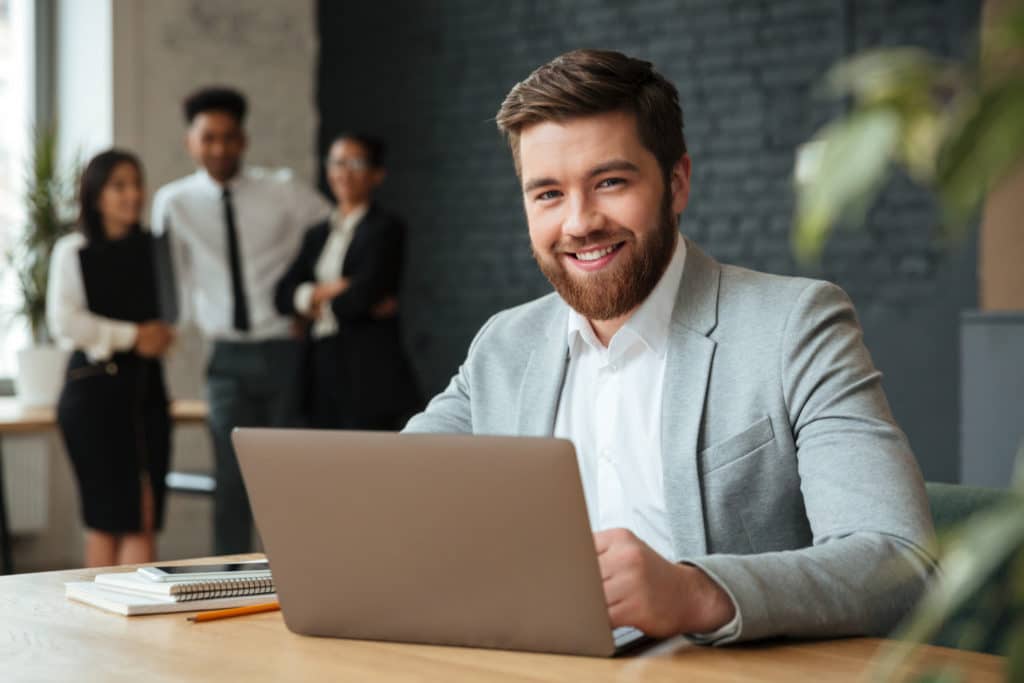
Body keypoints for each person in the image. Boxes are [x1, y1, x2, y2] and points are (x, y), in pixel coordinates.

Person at [404, 49, 937, 643]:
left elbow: (899, 564)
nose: (579, 222)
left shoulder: (795, 327)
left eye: (609, 182)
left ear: (676, 183)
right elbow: (389, 495)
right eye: (548, 194)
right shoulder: (504, 345)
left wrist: (694, 592)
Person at [151, 87, 331, 554]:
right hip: (225, 358)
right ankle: (227, 585)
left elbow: (333, 231)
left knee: (287, 480)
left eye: (229, 138)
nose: (219, 148)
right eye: (208, 138)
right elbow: (168, 279)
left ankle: (298, 581)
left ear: (244, 141)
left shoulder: (283, 191)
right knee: (229, 484)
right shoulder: (174, 203)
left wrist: (308, 299)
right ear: (191, 141)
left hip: (283, 350)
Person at [48, 150, 175, 567]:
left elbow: (173, 314)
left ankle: (137, 627)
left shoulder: (154, 249)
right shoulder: (74, 249)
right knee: (107, 517)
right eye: (119, 185)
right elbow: (65, 321)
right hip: (94, 393)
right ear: (96, 194)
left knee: (144, 514)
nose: (133, 194)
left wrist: (161, 335)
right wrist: (131, 336)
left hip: (146, 390)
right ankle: (97, 627)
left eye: (137, 184)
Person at [274, 133, 421, 429]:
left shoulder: (386, 229)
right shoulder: (316, 234)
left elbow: (361, 297)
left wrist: (311, 304)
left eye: (356, 163)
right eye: (337, 162)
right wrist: (328, 293)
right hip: (319, 368)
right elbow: (280, 295)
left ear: (377, 174)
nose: (344, 172)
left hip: (369, 372)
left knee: (369, 466)